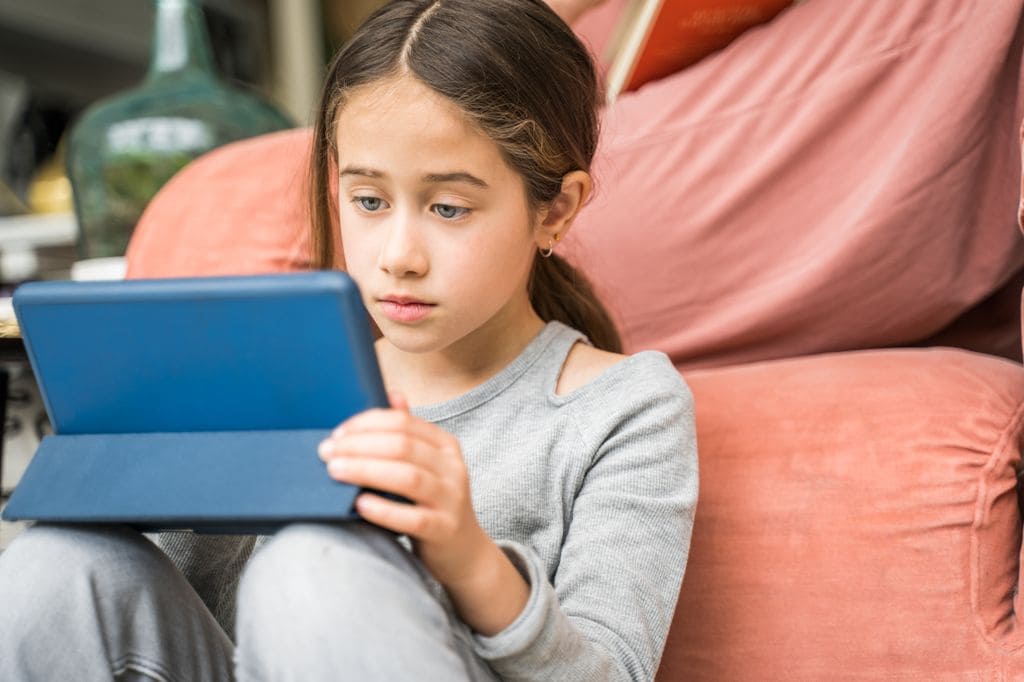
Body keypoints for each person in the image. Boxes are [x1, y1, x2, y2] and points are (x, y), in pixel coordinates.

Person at [0, 0, 698, 679]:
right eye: (368, 201)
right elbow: (147, 604)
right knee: (56, 562)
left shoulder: (623, 407)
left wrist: (468, 557)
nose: (399, 254)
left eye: (449, 207)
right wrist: (136, 474)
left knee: (313, 564)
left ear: (556, 210)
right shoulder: (278, 376)